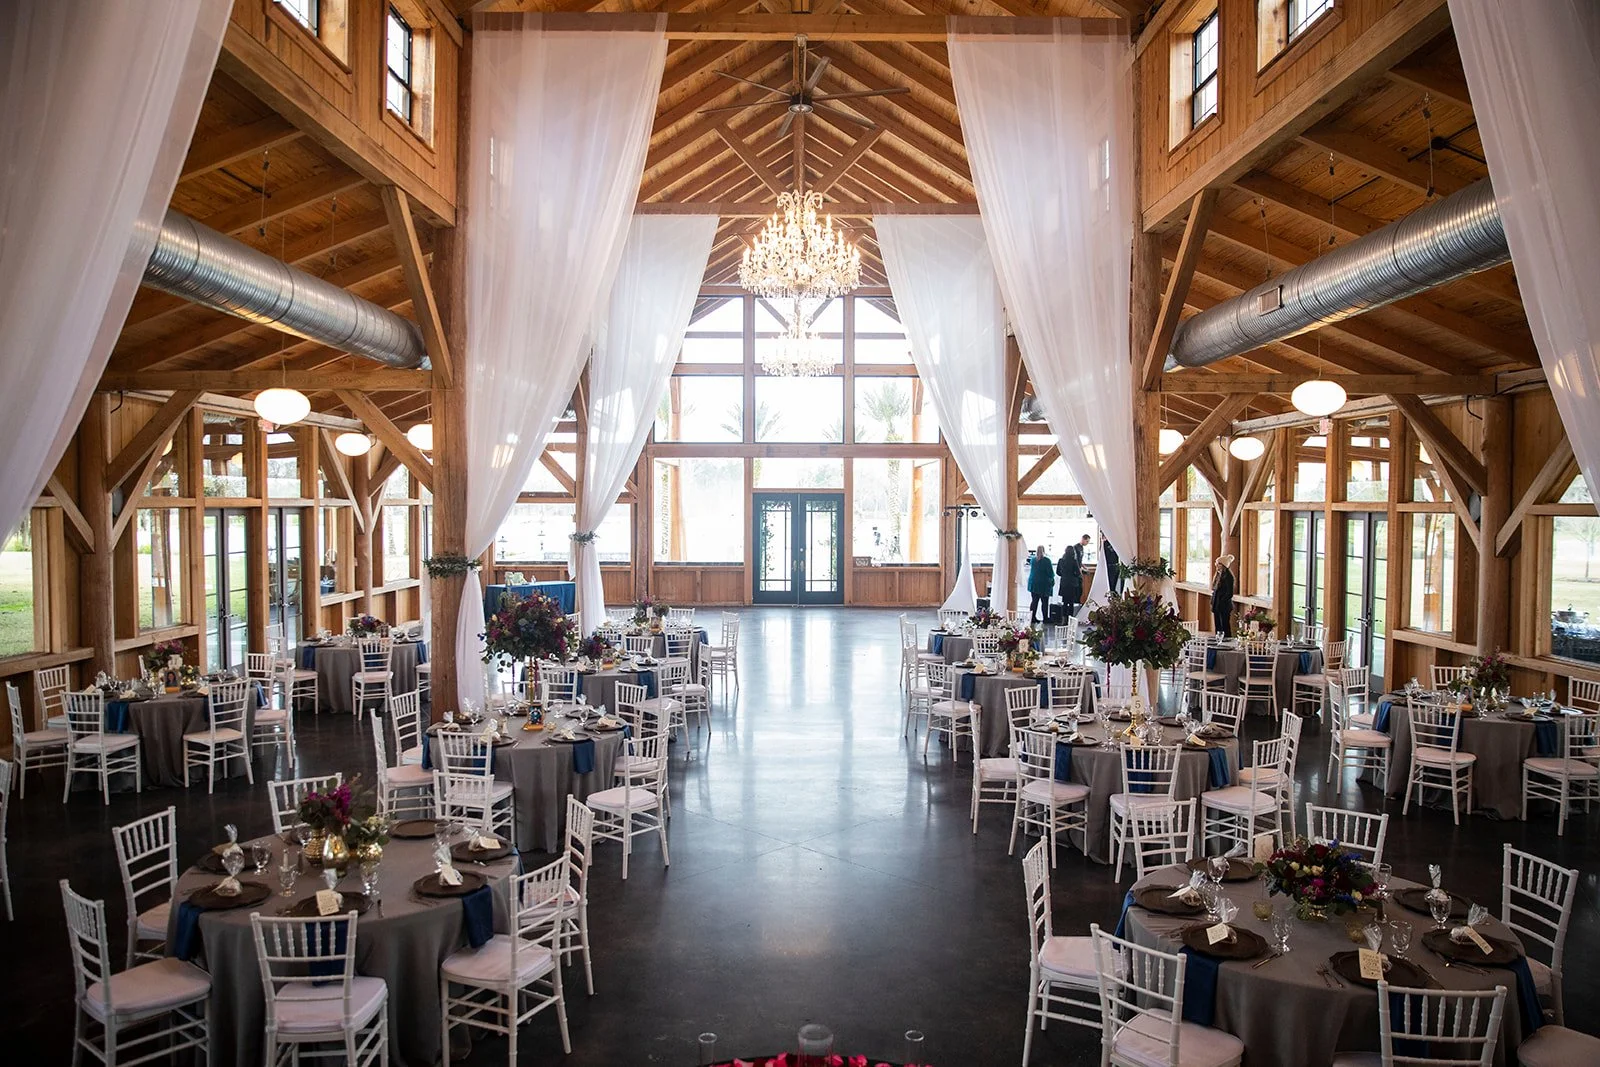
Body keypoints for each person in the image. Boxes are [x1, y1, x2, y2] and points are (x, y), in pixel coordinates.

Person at [1058, 534, 1090, 618]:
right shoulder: (1074, 560)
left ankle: (1063, 618)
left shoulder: (1061, 560)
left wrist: (1064, 575)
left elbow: (1058, 572)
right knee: (1071, 602)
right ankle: (1070, 618)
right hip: (1072, 583)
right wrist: (1076, 575)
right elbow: (1077, 572)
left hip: (1064, 582)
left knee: (1065, 602)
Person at [1027, 544, 1055, 625]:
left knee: (1034, 601)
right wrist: (1052, 581)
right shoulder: (1047, 560)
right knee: (1044, 602)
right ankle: (1045, 618)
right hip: (1044, 584)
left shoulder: (1033, 560)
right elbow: (1051, 573)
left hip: (1033, 583)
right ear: (1044, 551)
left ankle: (1032, 617)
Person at [1212, 554, 1237, 637]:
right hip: (1217, 604)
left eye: (1219, 564)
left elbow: (1229, 593)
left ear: (1223, 565)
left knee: (1224, 626)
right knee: (1218, 625)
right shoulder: (1218, 575)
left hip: (1224, 606)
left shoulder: (1228, 577)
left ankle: (1226, 641)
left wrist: (1221, 602)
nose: (1217, 566)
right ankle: (1218, 640)